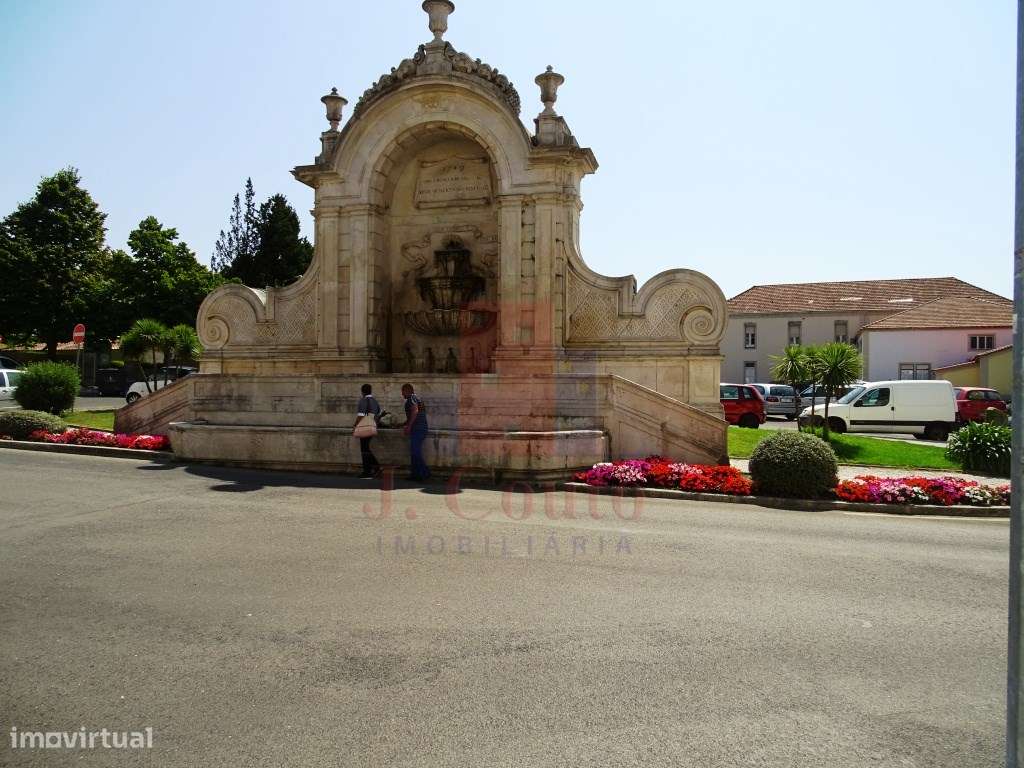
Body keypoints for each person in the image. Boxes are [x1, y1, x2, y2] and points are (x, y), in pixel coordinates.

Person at [401, 383, 430, 481]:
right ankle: (415, 474)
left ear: (408, 391)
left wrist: (409, 426)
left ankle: (424, 473)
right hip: (419, 428)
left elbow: (415, 411)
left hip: (418, 429)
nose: (402, 394)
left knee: (415, 452)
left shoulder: (412, 399)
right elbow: (415, 415)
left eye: (403, 391)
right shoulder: (417, 399)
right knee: (414, 452)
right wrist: (404, 423)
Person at [354, 383, 381, 479]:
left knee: (364, 449)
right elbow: (378, 413)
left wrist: (355, 425)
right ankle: (374, 467)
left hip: (365, 425)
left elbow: (360, 415)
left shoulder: (363, 401)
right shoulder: (375, 401)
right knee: (366, 448)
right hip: (373, 425)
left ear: (363, 392)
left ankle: (368, 470)